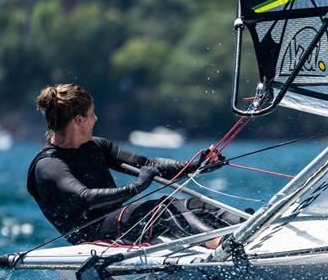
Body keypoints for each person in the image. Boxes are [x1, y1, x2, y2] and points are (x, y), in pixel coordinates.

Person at [27, 83, 244, 247]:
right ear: (79, 120)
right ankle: (219, 243)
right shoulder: (48, 165)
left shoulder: (97, 146)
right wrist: (136, 188)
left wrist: (195, 165)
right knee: (163, 209)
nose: (96, 118)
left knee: (195, 205)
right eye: (92, 113)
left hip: (119, 221)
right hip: (91, 233)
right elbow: (87, 198)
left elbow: (147, 164)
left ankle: (247, 225)